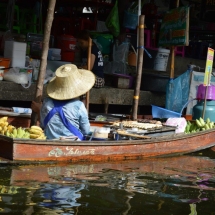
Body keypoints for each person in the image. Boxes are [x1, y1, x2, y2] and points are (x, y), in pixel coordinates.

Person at [31, 64, 95, 140]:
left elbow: (43, 125)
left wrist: (39, 110)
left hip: (50, 142)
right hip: (74, 145)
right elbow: (86, 131)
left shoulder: (47, 102)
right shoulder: (79, 106)